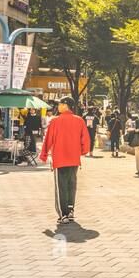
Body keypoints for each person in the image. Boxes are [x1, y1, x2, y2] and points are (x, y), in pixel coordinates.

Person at [39, 96, 91, 225]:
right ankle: (70, 209)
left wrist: (44, 155)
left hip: (59, 158)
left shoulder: (55, 121)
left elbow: (48, 140)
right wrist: (83, 151)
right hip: (74, 159)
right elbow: (86, 139)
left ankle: (63, 215)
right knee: (71, 184)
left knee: (61, 186)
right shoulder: (79, 121)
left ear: (66, 105)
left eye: (60, 104)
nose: (58, 106)